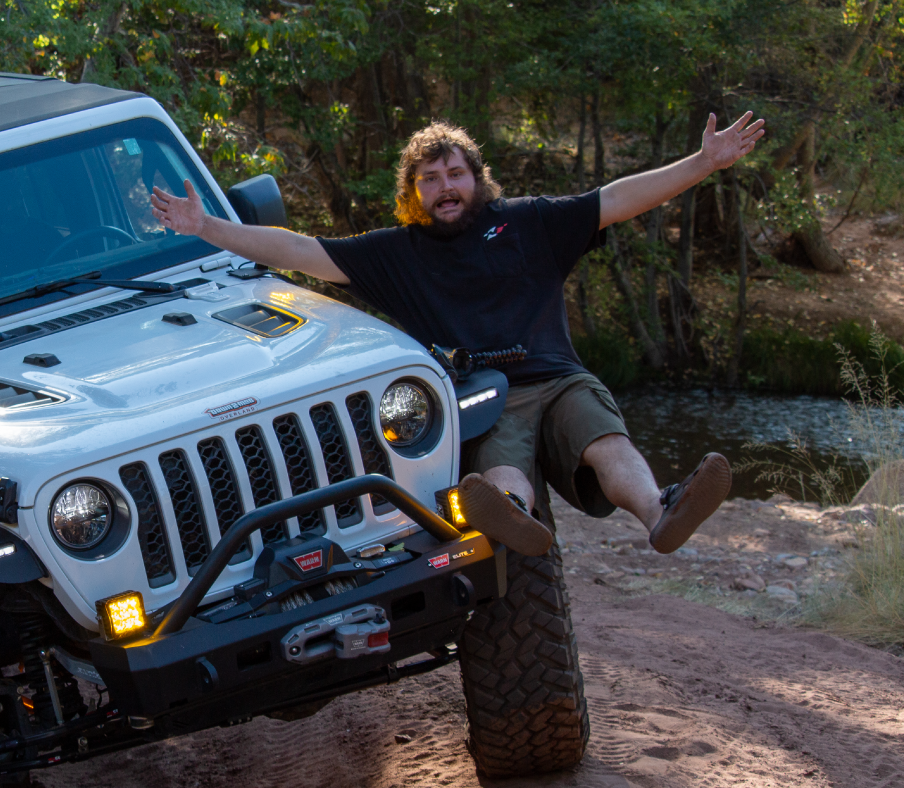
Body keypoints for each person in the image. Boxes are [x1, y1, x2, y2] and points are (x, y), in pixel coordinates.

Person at [149, 114, 766, 556]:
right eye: (430, 179)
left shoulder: (530, 222)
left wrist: (704, 162)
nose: (445, 187)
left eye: (455, 174)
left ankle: (661, 513)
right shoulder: (398, 253)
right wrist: (208, 227)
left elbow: (617, 199)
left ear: (477, 177)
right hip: (481, 395)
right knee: (501, 469)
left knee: (602, 438)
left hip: (556, 376)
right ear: (412, 195)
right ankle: (514, 522)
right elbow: (299, 251)